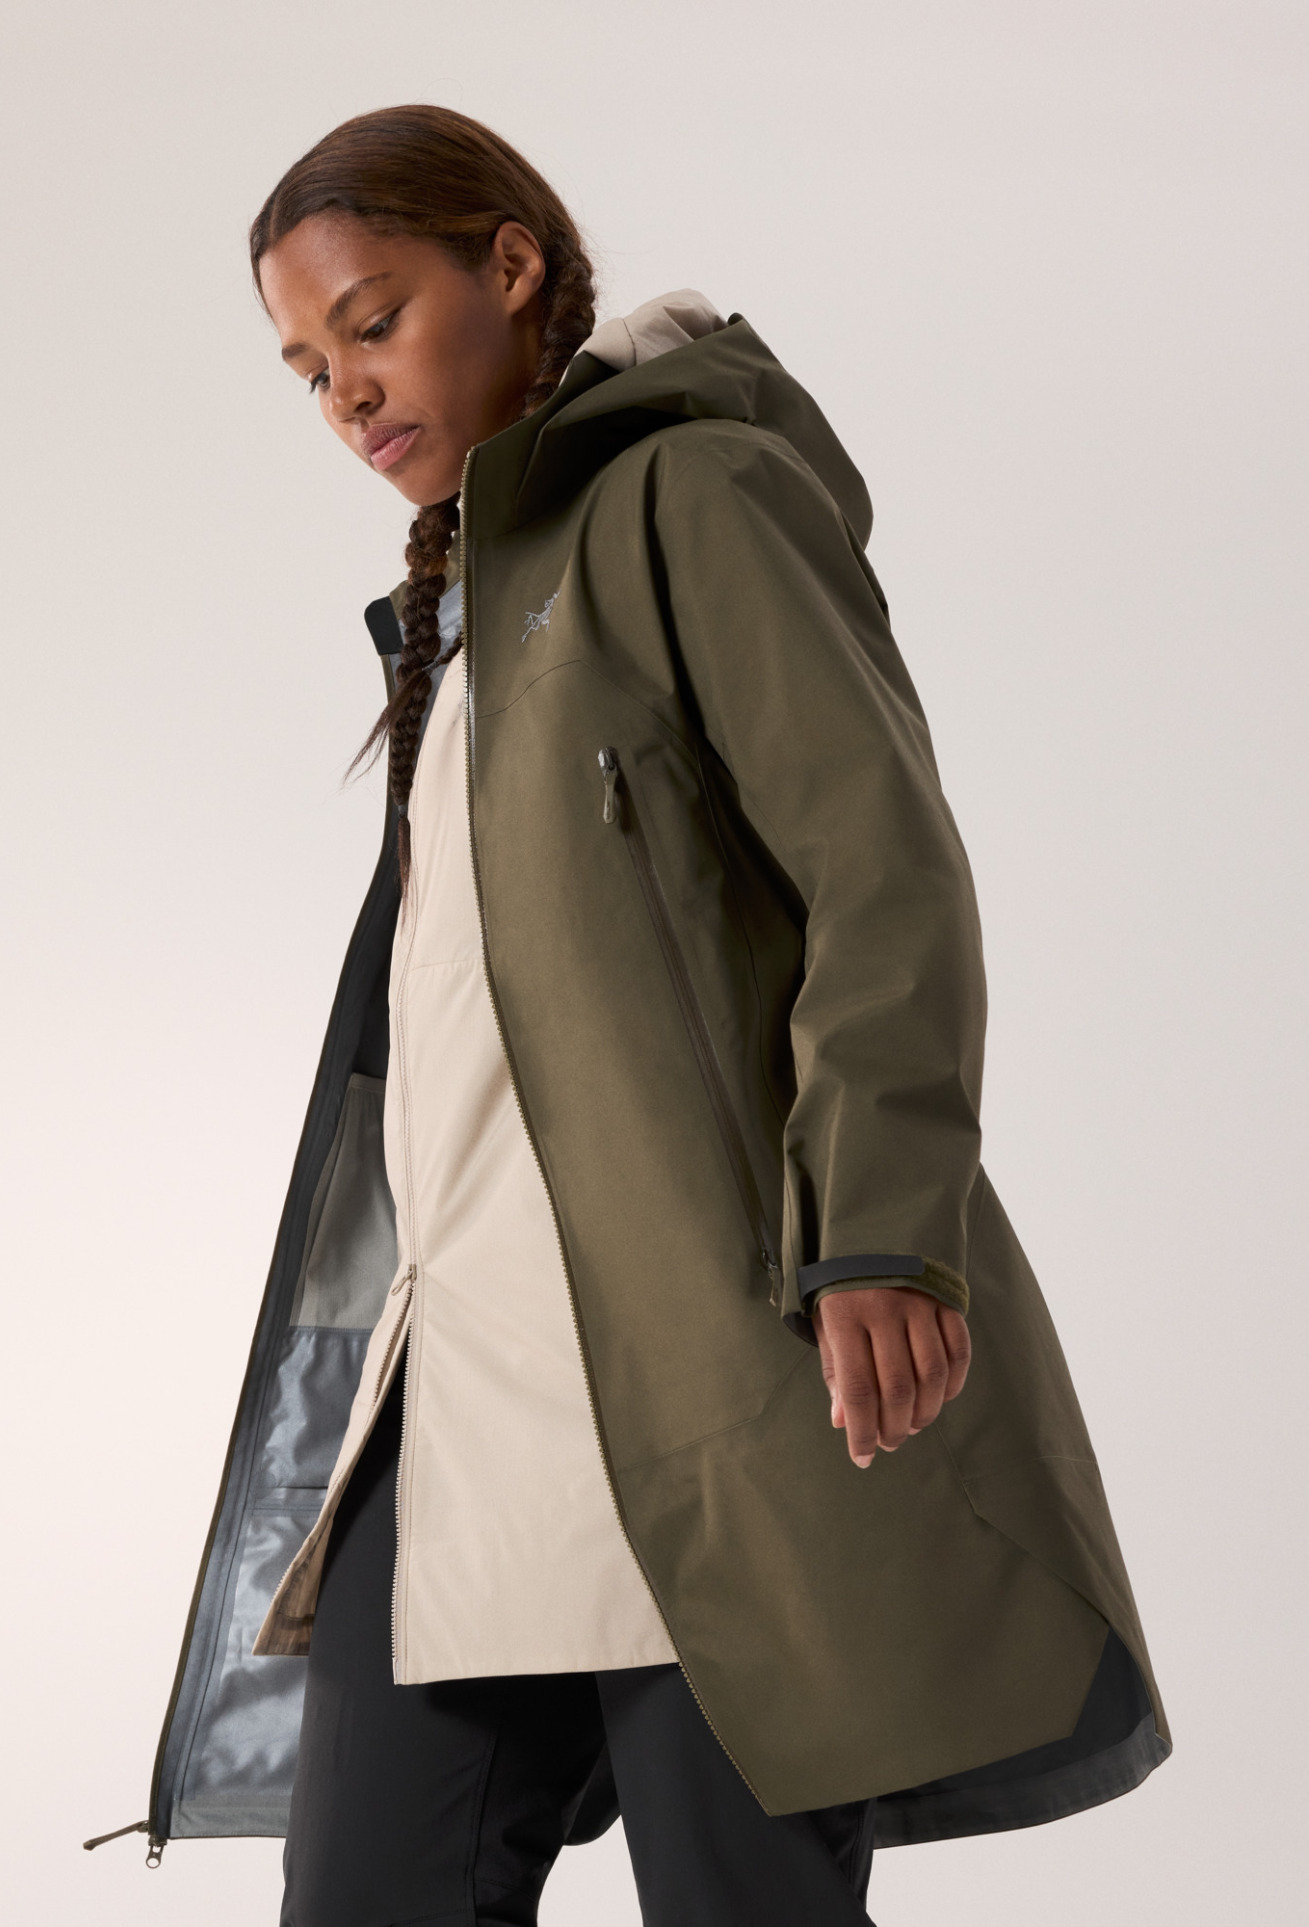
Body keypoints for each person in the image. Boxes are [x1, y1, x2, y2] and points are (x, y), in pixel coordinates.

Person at [143, 104, 1169, 1925]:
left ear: (509, 267)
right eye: (307, 369)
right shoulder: (470, 605)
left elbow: (880, 870)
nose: (347, 395)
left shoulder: (687, 496)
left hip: (713, 1371)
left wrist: (879, 1233)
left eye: (372, 324)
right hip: (463, 1398)